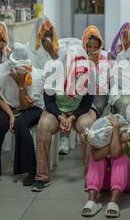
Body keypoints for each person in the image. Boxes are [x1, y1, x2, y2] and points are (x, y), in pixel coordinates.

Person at [31, 44, 97, 192]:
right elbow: (49, 102)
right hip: (57, 110)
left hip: (80, 110)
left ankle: (91, 176)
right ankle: (42, 175)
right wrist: (61, 117)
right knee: (44, 126)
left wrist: (72, 117)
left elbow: (86, 103)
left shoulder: (89, 73)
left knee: (87, 127)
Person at [0, 44, 44, 186]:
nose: (20, 71)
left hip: (32, 108)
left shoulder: (34, 76)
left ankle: (32, 170)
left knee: (20, 124)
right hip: (8, 106)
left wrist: (21, 85)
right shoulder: (2, 72)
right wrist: (10, 115)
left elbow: (27, 105)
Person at [81, 114, 130, 218]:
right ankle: (91, 201)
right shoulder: (96, 138)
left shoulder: (127, 133)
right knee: (96, 160)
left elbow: (115, 153)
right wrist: (118, 139)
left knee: (119, 157)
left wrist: (116, 128)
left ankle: (113, 202)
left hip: (129, 181)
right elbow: (95, 156)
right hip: (105, 184)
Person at [82, 25, 110, 118]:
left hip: (99, 94)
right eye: (89, 46)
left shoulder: (104, 60)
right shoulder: (80, 59)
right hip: (83, 93)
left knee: (98, 106)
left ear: (99, 46)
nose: (92, 50)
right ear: (84, 46)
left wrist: (93, 65)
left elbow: (102, 85)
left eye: (95, 47)